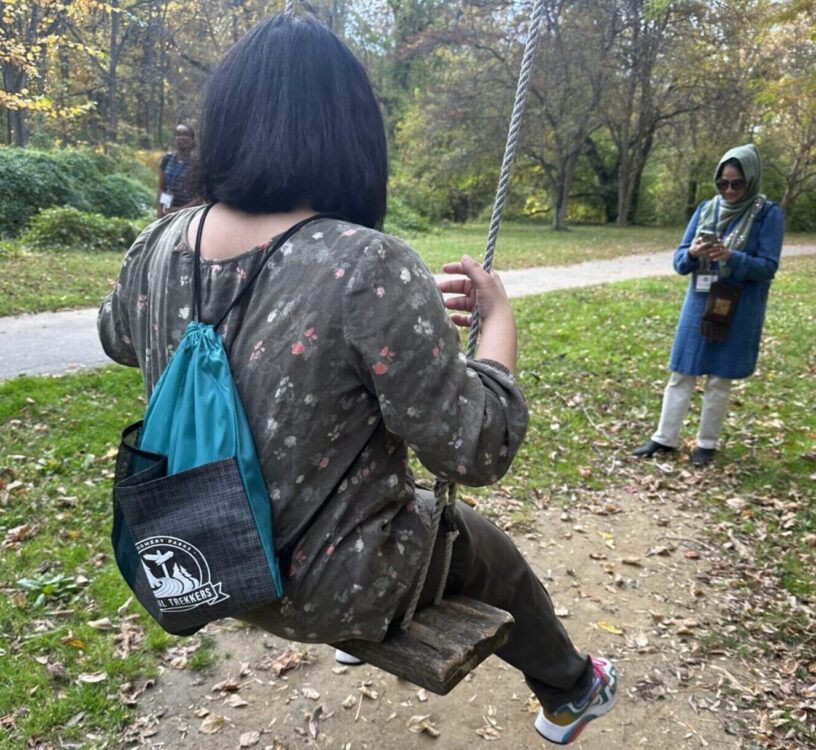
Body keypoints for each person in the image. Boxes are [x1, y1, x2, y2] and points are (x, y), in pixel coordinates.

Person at [98, 13, 616, 744]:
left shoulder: (158, 243)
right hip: (317, 589)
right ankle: (573, 687)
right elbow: (477, 449)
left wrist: (363, 336)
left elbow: (119, 335)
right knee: (489, 553)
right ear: (350, 133)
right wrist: (498, 326)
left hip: (197, 559)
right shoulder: (369, 264)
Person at [633, 144, 784, 466]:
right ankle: (665, 438)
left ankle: (706, 444)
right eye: (723, 183)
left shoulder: (767, 213)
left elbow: (768, 266)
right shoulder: (706, 209)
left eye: (737, 184)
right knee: (681, 372)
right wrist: (693, 254)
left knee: (719, 378)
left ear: (751, 179)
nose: (729, 190)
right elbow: (679, 260)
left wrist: (732, 257)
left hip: (739, 304)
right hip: (700, 301)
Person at [157, 123, 195, 217]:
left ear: (192, 139)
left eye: (186, 134)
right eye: (178, 134)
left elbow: (201, 197)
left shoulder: (197, 162)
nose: (182, 137)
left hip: (190, 214)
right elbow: (162, 188)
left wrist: (180, 210)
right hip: (168, 210)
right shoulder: (167, 159)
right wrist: (160, 211)